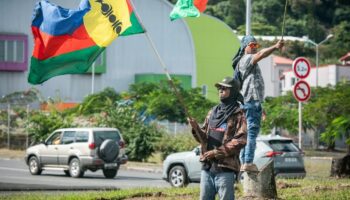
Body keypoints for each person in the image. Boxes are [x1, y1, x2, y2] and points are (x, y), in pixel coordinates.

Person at [188, 77, 247, 200]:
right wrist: (196, 129)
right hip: (207, 168)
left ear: (233, 91)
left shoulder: (239, 114)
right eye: (219, 88)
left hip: (225, 170)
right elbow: (203, 138)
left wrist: (216, 152)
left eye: (224, 88)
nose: (220, 90)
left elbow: (241, 140)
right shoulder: (212, 111)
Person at [232, 35, 284, 172]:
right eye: (252, 45)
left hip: (250, 102)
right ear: (245, 47)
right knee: (252, 134)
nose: (255, 48)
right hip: (251, 102)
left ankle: (244, 162)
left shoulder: (243, 62)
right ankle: (248, 162)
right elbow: (262, 54)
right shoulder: (246, 59)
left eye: (256, 45)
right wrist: (275, 46)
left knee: (247, 134)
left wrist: (261, 107)